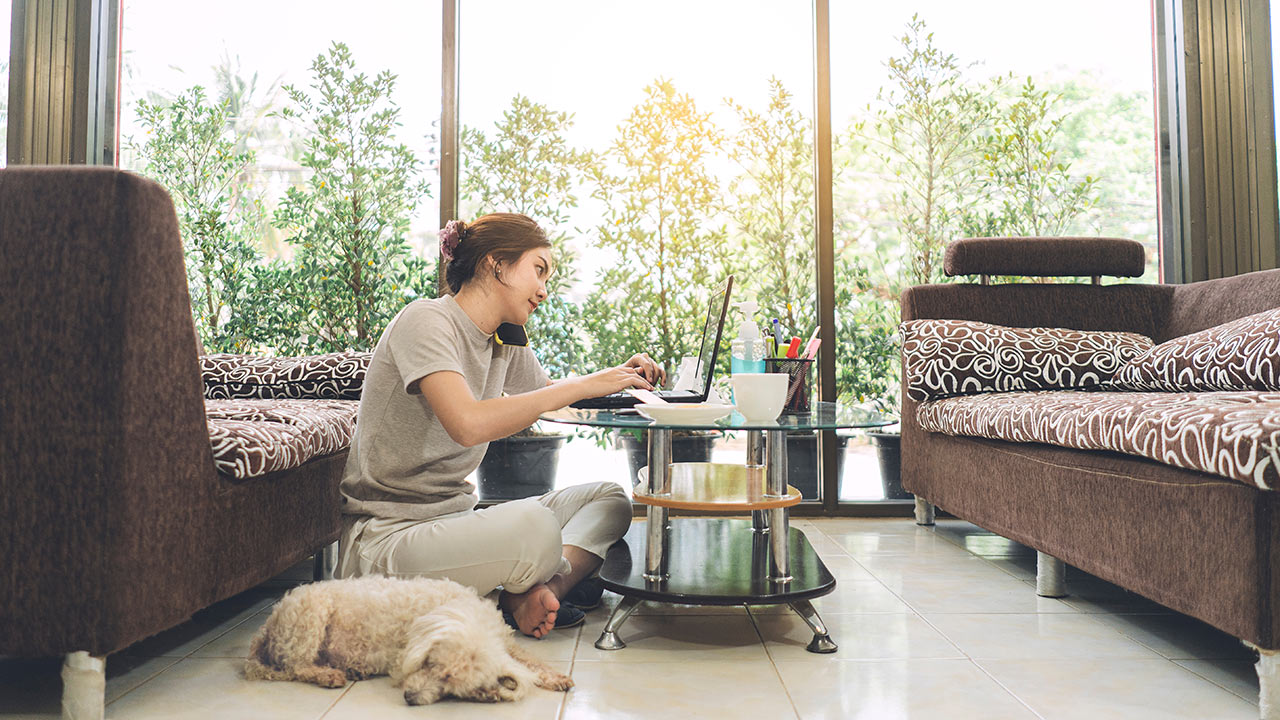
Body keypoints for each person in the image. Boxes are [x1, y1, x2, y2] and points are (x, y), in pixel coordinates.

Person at [335, 212, 664, 639]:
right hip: (387, 539)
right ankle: (528, 588)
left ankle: (540, 592)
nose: (544, 291)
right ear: (496, 264)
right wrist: (583, 384)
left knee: (611, 499)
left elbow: (549, 396)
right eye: (539, 270)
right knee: (536, 527)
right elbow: (467, 424)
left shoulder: (504, 337)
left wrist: (621, 376)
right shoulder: (426, 320)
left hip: (455, 521)